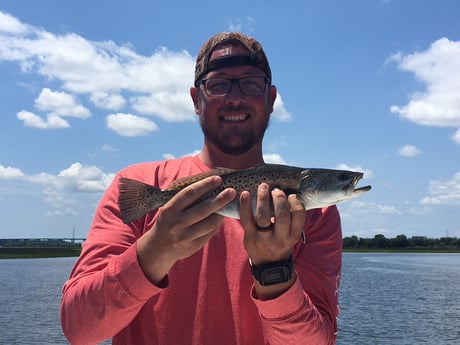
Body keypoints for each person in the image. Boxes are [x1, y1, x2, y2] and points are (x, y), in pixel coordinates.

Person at [61, 32, 342, 345]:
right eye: (219, 84)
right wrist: (156, 250)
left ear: (271, 98)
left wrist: (274, 269)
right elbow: (79, 329)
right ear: (196, 99)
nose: (235, 97)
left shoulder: (318, 213)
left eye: (250, 83)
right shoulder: (142, 186)